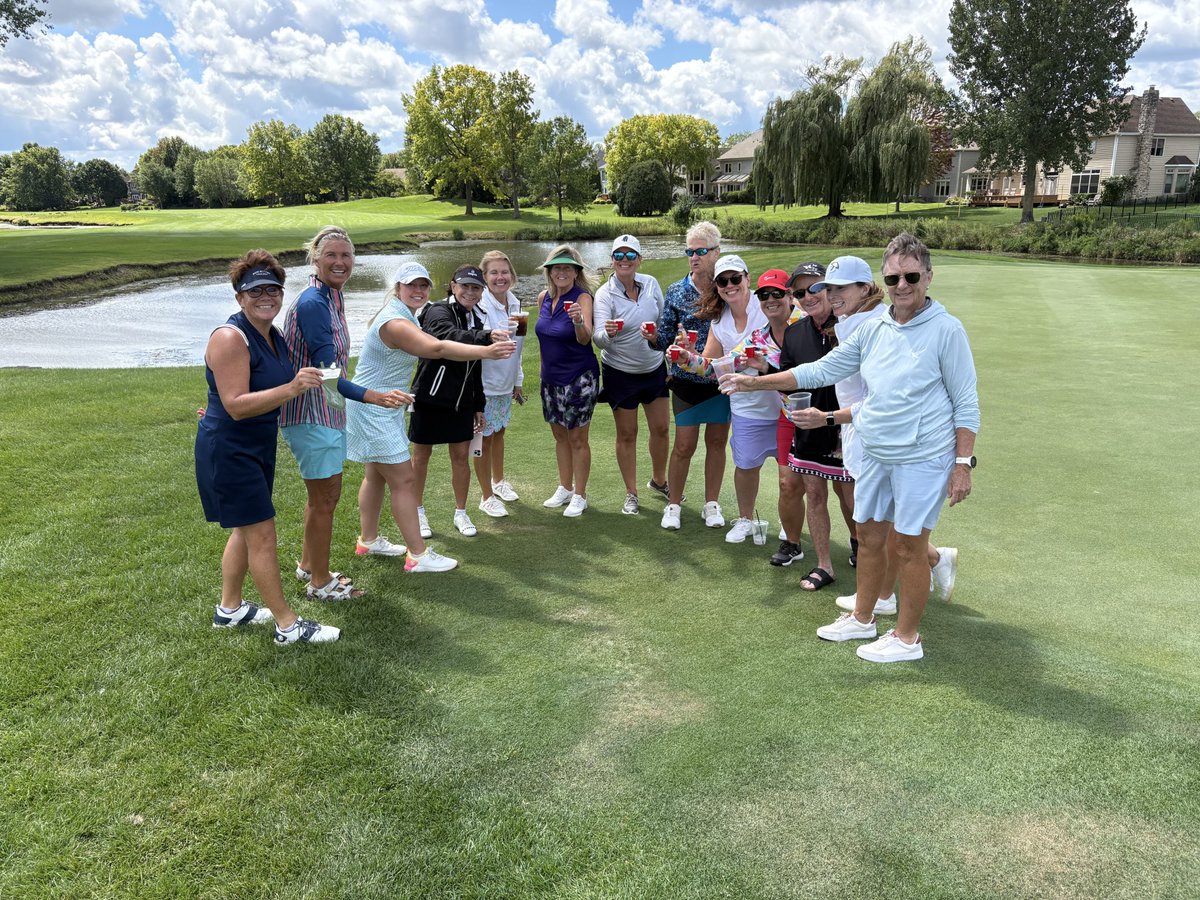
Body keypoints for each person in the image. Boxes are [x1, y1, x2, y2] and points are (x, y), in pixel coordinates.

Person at [720, 232, 979, 662]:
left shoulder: (946, 331)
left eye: (911, 276)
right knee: (870, 537)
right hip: (876, 452)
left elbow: (966, 403)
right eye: (893, 277)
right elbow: (819, 371)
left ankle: (907, 639)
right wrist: (754, 381)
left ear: (928, 277)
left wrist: (962, 464)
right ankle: (863, 618)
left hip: (921, 455)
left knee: (909, 547)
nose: (902, 286)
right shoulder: (873, 328)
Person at [196, 250, 339, 644]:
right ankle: (287, 626)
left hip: (257, 445)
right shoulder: (230, 337)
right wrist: (292, 388)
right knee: (262, 535)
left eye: (273, 289)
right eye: (255, 290)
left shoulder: (271, 335)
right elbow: (236, 406)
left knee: (246, 530)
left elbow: (239, 393)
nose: (266, 296)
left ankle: (230, 609)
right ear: (239, 297)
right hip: (231, 448)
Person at [347, 261, 515, 573]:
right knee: (404, 478)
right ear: (398, 288)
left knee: (375, 475)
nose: (419, 291)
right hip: (374, 406)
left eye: (423, 285)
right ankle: (418, 555)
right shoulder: (396, 322)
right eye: (411, 285)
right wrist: (486, 350)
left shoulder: (404, 315)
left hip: (381, 405)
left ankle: (368, 540)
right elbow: (436, 347)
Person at [280, 226, 408, 602]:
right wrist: (375, 396)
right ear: (314, 258)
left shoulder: (330, 297)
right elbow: (331, 373)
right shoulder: (313, 304)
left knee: (320, 496)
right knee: (326, 498)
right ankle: (320, 583)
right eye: (331, 255)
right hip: (311, 413)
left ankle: (308, 563)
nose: (340, 262)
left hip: (325, 412)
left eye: (346, 255)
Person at [672, 256, 773, 543]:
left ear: (747, 278)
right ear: (717, 286)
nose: (730, 285)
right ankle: (745, 519)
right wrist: (687, 357)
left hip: (780, 403)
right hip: (744, 406)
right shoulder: (719, 321)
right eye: (723, 281)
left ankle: (792, 536)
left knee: (790, 478)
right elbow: (709, 367)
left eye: (735, 279)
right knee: (745, 467)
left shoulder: (766, 304)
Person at [409, 265, 515, 538]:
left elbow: (474, 365)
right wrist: (486, 337)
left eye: (476, 287)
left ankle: (461, 512)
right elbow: (446, 335)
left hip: (462, 401)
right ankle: (417, 512)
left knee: (460, 457)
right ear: (453, 286)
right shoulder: (436, 310)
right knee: (421, 457)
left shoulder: (476, 317)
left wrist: (478, 404)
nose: (470, 292)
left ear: (482, 292)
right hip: (431, 396)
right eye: (465, 286)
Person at [773, 258, 857, 592]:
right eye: (799, 292)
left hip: (847, 427)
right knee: (814, 495)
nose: (808, 296)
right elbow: (789, 380)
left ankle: (860, 544)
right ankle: (824, 565)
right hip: (809, 427)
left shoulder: (854, 327)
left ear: (831, 289)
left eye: (815, 288)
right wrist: (767, 375)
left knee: (852, 499)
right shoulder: (794, 333)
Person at [643, 220, 731, 530]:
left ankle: (711, 504)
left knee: (717, 443)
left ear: (716, 252)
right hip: (685, 381)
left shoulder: (727, 287)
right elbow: (664, 339)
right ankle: (673, 505)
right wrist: (657, 339)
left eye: (701, 251)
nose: (694, 257)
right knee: (684, 445)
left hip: (720, 380)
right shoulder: (677, 291)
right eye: (689, 251)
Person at [592, 234, 669, 515]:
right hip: (620, 371)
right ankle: (631, 493)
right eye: (619, 256)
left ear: (639, 259)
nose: (624, 261)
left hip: (653, 368)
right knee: (627, 432)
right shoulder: (604, 294)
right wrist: (609, 334)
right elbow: (598, 338)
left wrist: (657, 336)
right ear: (612, 261)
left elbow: (661, 321)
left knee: (661, 428)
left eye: (630, 255)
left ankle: (659, 481)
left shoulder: (651, 284)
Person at [535, 244, 598, 518]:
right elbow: (543, 339)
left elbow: (586, 339)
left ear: (575, 272)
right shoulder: (543, 299)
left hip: (579, 378)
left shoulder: (582, 298)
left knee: (577, 438)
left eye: (567, 267)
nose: (562, 272)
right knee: (559, 435)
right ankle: (565, 487)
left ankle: (580, 494)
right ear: (549, 271)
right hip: (550, 379)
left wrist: (577, 321)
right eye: (557, 267)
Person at [473, 250, 527, 518]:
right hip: (484, 384)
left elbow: (518, 348)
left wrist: (518, 381)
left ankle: (498, 481)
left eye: (504, 272)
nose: (500, 277)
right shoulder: (479, 307)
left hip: (505, 384)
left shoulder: (516, 304)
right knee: (483, 437)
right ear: (484, 277)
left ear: (512, 275)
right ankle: (486, 496)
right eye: (493, 272)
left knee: (499, 432)